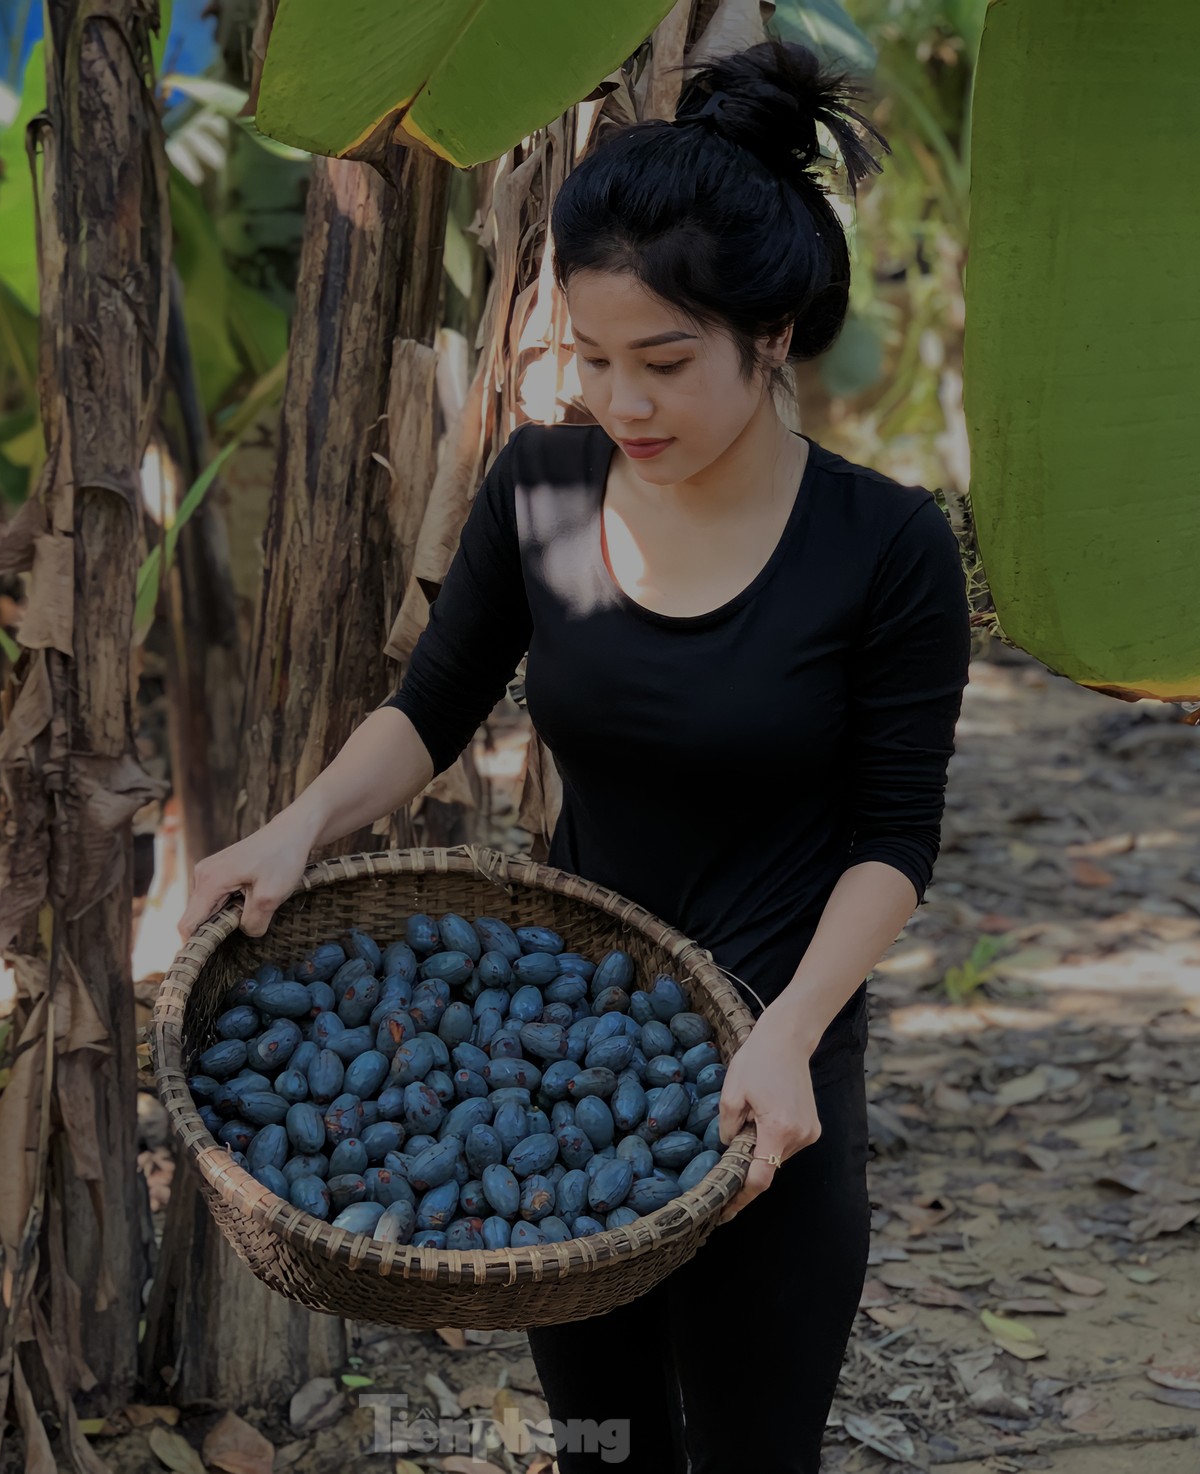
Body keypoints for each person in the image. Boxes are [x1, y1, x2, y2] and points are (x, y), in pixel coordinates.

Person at [177, 37, 972, 1474]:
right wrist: (297, 828)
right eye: (592, 356)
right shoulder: (540, 488)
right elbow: (427, 709)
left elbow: (891, 843)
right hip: (548, 1046)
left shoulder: (885, 547)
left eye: (663, 363)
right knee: (603, 1449)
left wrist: (790, 1030)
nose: (622, 402)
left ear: (774, 331)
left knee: (748, 1451)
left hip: (771, 1059)